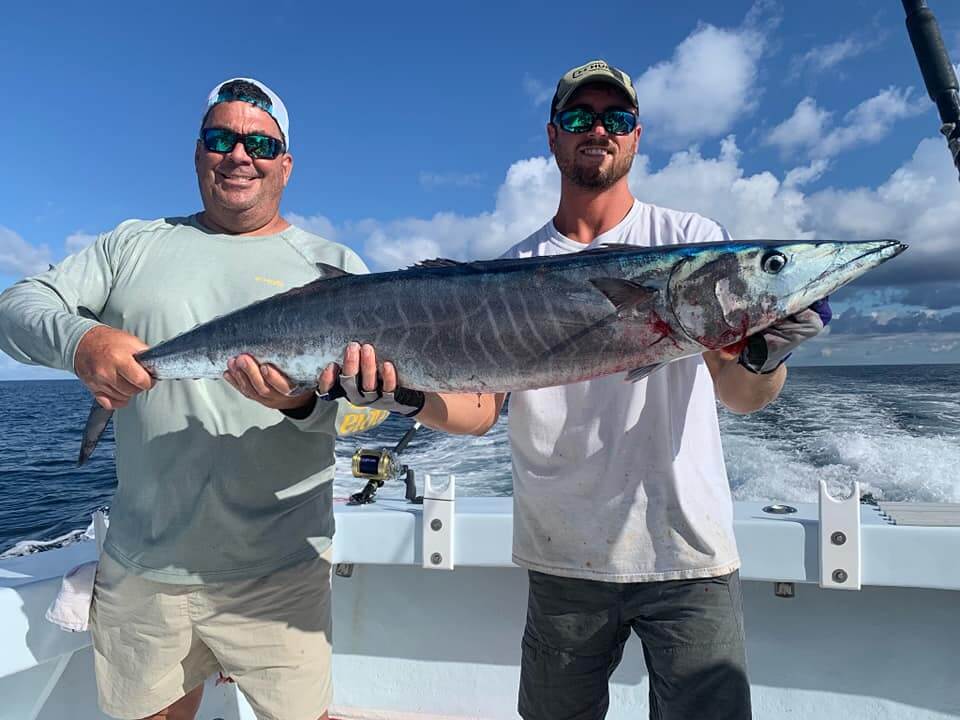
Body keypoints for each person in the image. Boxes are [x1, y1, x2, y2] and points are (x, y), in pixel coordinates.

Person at [314, 59, 831, 720]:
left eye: (615, 119)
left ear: (636, 137)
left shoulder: (695, 244)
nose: (599, 130)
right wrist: (400, 396)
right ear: (553, 136)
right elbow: (479, 410)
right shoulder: (513, 269)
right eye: (580, 117)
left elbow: (740, 395)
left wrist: (764, 355)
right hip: (565, 563)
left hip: (689, 556)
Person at [0, 78, 379, 720]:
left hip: (282, 574)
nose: (239, 154)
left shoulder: (334, 265)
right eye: (220, 137)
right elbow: (17, 307)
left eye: (260, 141)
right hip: (144, 567)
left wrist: (302, 404)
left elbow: (370, 407)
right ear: (197, 153)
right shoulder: (131, 244)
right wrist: (83, 340)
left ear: (285, 163)